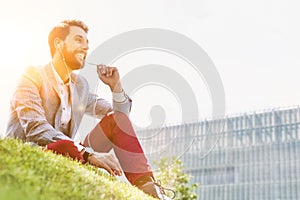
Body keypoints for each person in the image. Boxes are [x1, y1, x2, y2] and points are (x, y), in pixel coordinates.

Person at [5, 19, 173, 200]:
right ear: (58, 44)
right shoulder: (32, 75)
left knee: (115, 121)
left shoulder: (80, 86)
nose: (85, 47)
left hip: (72, 153)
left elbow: (121, 117)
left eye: (87, 43)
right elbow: (36, 129)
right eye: (78, 40)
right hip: (39, 150)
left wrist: (116, 86)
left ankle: (149, 189)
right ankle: (80, 152)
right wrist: (88, 154)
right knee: (63, 144)